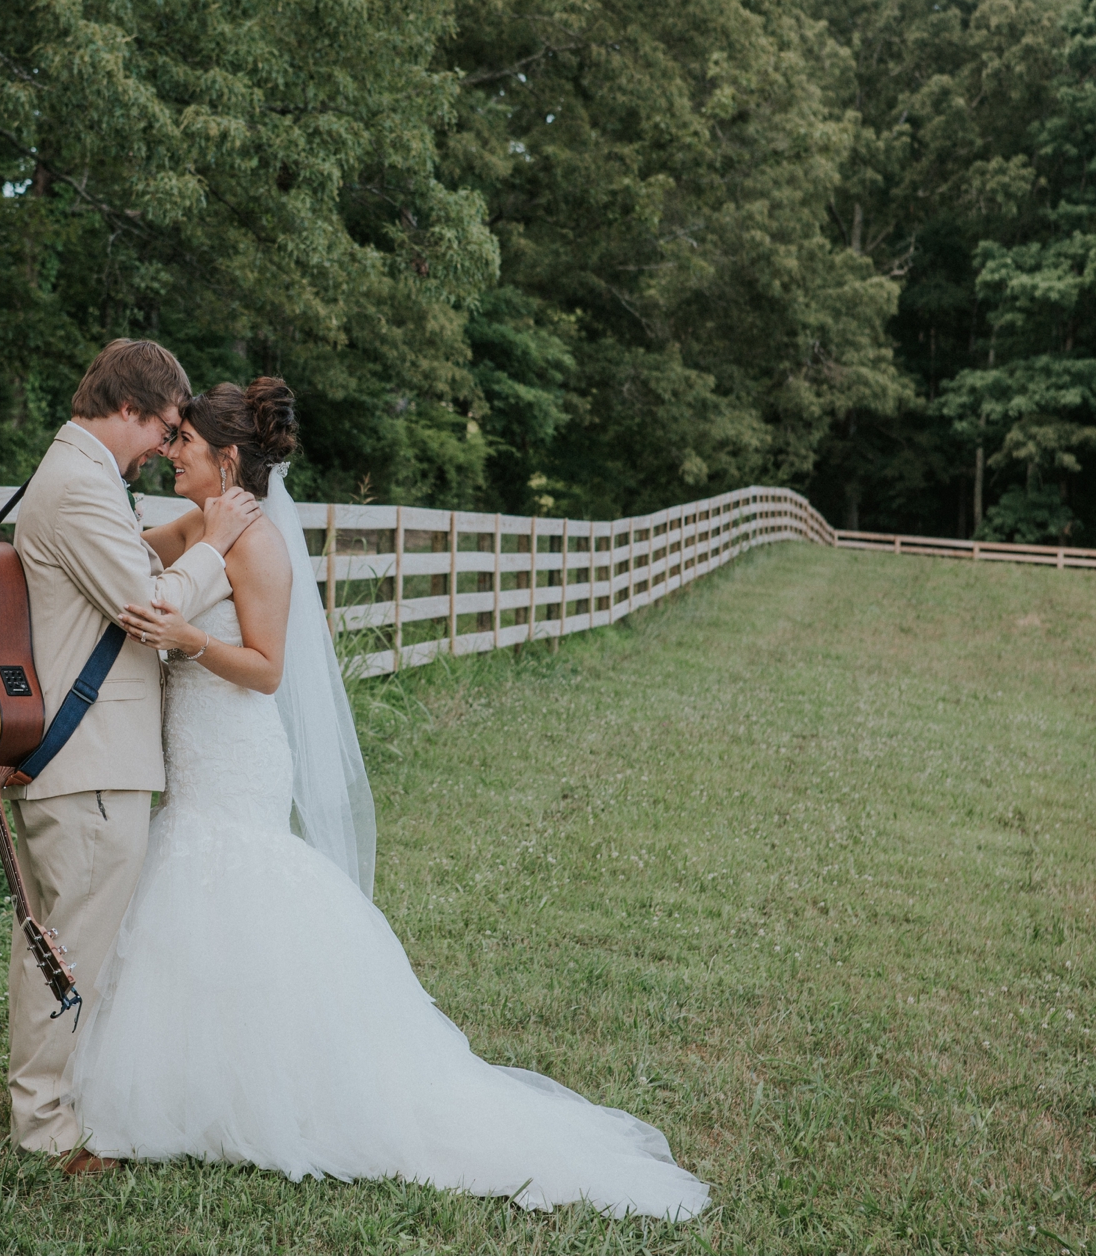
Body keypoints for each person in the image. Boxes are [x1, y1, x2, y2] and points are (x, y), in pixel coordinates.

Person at [69, 377, 713, 1218]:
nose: (171, 451)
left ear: (227, 459)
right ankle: (189, 1088)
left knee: (227, 893)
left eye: (183, 441)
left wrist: (190, 637)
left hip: (236, 752)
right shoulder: (201, 521)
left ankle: (267, 1091)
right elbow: (132, 558)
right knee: (184, 899)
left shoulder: (259, 545)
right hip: (192, 756)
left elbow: (265, 669)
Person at [5, 339, 261, 1172]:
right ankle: (46, 1127)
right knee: (69, 942)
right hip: (92, 760)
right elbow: (147, 608)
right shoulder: (80, 486)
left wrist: (188, 537)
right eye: (160, 426)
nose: (163, 444)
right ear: (127, 409)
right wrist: (215, 548)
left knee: (59, 934)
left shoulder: (84, 478)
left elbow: (131, 564)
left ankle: (57, 1097)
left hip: (88, 760)